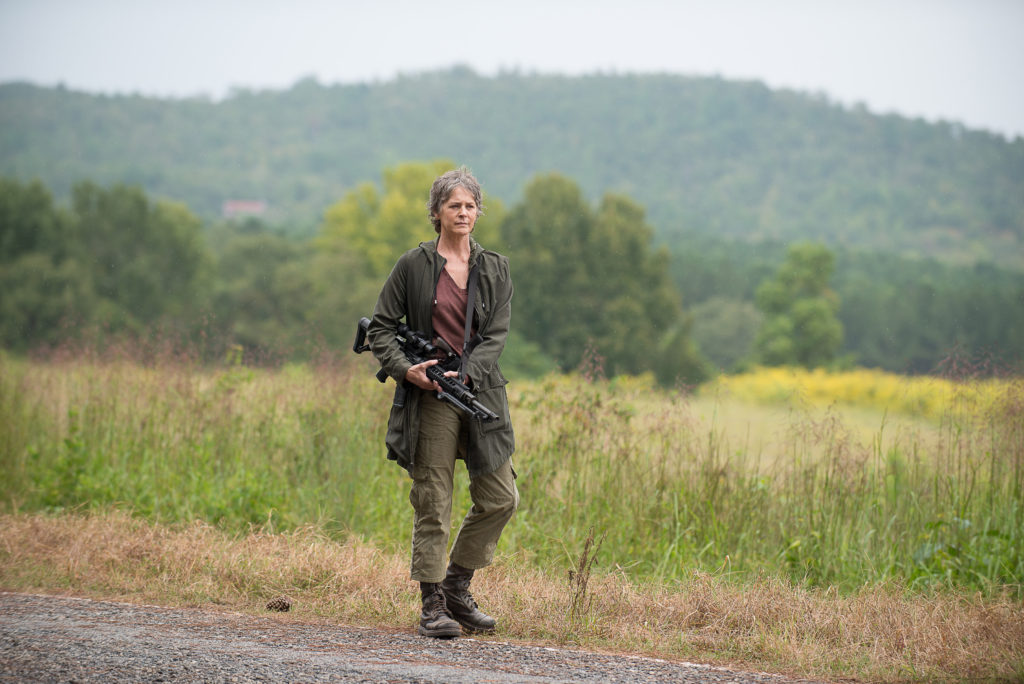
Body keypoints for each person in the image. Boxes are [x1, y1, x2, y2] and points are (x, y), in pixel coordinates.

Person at [366, 167, 518, 639]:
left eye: (470, 205)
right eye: (454, 205)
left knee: (500, 498)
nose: (464, 212)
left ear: (478, 211)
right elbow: (380, 329)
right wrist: (406, 369)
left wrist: (468, 372)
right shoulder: (413, 265)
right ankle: (432, 605)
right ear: (437, 213)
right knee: (433, 500)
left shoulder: (494, 268)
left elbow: (495, 336)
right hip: (430, 396)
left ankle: (457, 584)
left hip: (481, 391)